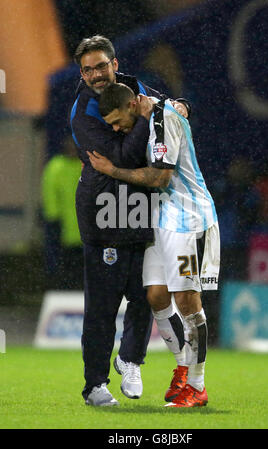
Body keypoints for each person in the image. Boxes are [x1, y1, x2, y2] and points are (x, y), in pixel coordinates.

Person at [70, 35, 190, 406]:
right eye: (88, 69)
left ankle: (131, 359)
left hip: (141, 207)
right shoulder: (82, 113)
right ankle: (94, 385)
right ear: (81, 73)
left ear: (115, 64)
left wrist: (179, 107)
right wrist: (146, 116)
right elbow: (120, 154)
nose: (95, 74)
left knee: (146, 294)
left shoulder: (135, 87)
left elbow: (171, 104)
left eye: (101, 66)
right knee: (103, 307)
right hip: (104, 212)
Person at [88, 83, 220, 408]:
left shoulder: (162, 119)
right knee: (156, 297)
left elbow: (161, 178)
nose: (118, 129)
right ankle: (183, 369)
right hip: (162, 219)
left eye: (119, 121)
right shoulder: (151, 119)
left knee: (187, 301)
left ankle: (197, 384)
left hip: (188, 220)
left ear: (133, 104)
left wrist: (112, 171)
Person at [41, 135, 83, 290]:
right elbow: (49, 191)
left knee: (79, 264)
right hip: (62, 225)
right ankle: (63, 288)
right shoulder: (57, 166)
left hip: (82, 227)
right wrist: (52, 215)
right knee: (64, 263)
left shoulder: (82, 165)